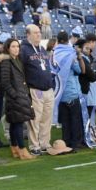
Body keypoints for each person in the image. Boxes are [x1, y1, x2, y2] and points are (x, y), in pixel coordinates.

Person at [0, 39, 35, 159]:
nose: (16, 49)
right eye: (13, 46)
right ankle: (22, 150)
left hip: (19, 96)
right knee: (18, 124)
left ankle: (15, 148)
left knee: (14, 124)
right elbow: (5, 82)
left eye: (17, 46)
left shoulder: (17, 60)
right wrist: (15, 94)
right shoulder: (6, 61)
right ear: (8, 48)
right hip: (15, 98)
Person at [21, 24, 56, 155]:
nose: (39, 35)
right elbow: (22, 70)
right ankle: (34, 145)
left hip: (48, 89)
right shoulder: (23, 50)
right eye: (35, 33)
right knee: (35, 119)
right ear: (28, 34)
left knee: (47, 118)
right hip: (35, 89)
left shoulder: (41, 48)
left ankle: (44, 143)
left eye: (39, 32)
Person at [52, 31, 85, 151]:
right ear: (67, 40)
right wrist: (79, 57)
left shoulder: (54, 53)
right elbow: (80, 70)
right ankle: (75, 143)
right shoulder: (70, 54)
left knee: (65, 121)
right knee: (75, 119)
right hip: (71, 91)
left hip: (59, 92)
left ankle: (65, 142)